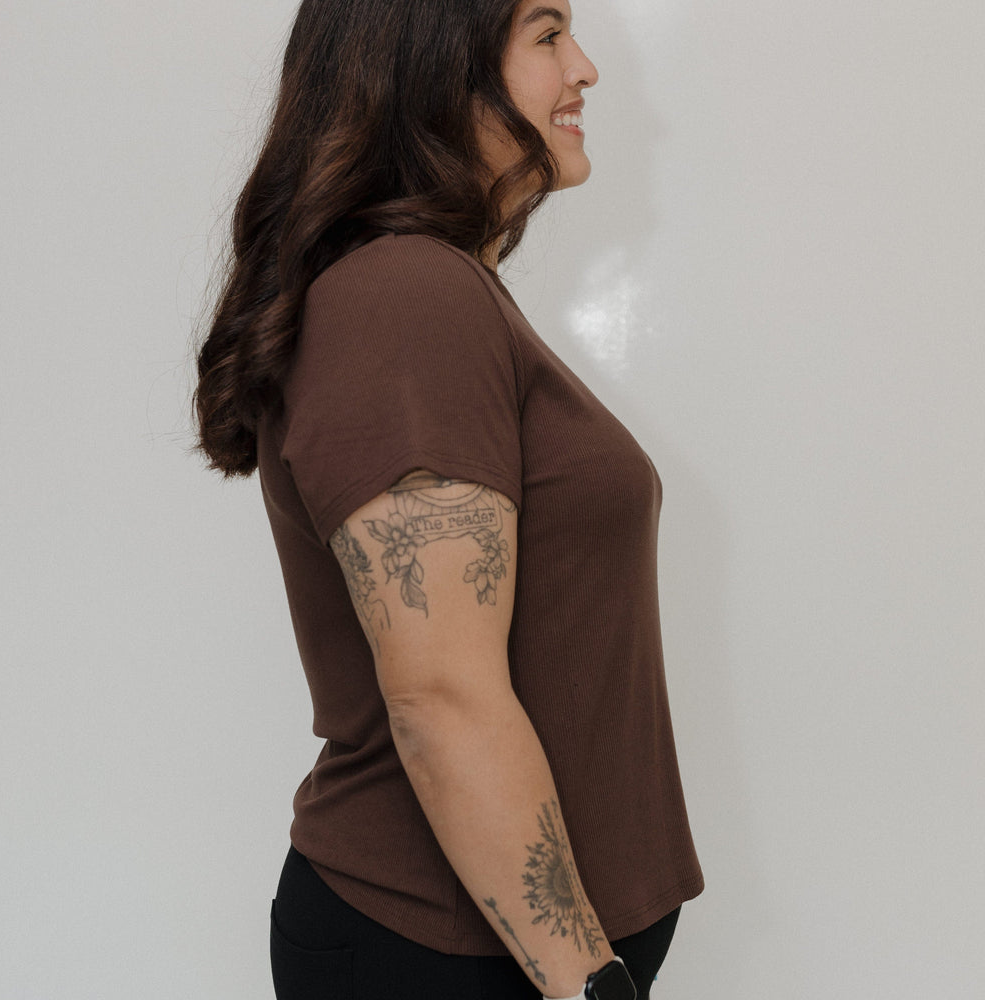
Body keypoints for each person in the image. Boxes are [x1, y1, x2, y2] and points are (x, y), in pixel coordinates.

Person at [194, 1, 704, 997]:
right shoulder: (402, 297)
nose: (585, 69)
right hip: (443, 955)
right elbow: (441, 696)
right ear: (437, 62)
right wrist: (586, 983)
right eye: (548, 34)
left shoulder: (441, 290)